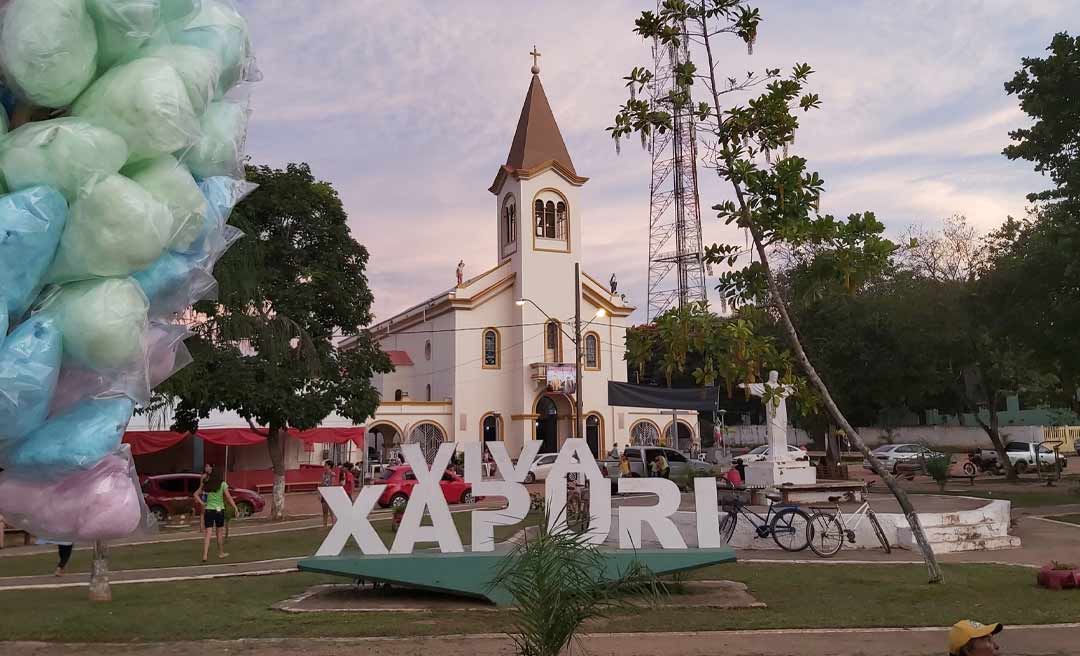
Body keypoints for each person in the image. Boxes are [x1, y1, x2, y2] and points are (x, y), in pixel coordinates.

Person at [194, 467, 238, 562]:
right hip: (219, 510)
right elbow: (229, 497)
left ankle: (205, 555)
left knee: (208, 534)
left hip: (209, 510)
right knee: (219, 533)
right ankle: (221, 553)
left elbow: (195, 494)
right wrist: (235, 507)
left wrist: (202, 503)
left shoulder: (207, 484)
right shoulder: (223, 484)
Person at [320, 460, 336, 527]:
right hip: (324, 493)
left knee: (331, 510)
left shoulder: (332, 474)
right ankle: (324, 524)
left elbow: (332, 484)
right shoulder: (324, 474)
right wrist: (320, 493)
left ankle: (334, 524)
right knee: (324, 510)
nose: (324, 466)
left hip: (330, 493)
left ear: (329, 466)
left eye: (326, 465)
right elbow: (322, 483)